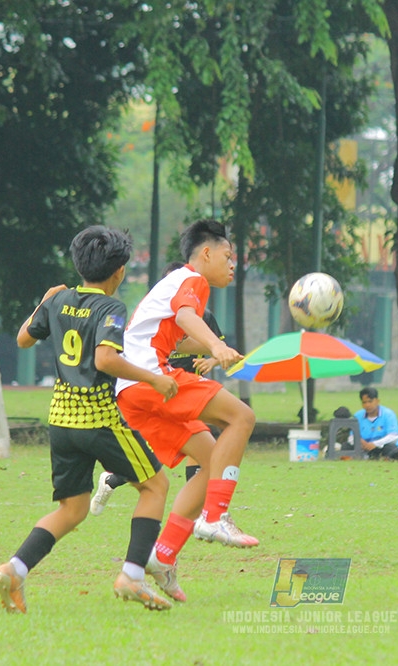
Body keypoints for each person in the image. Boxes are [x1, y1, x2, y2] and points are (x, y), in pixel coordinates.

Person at [0, 226, 178, 614]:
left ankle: (15, 569)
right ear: (120, 272)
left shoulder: (58, 299)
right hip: (97, 418)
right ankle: (131, 575)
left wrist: (43, 304)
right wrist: (155, 378)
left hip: (60, 421)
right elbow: (106, 360)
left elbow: (24, 338)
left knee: (72, 509)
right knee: (156, 485)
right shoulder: (111, 308)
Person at [112, 219, 258, 603]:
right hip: (153, 380)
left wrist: (215, 347)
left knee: (211, 461)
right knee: (242, 417)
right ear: (206, 253)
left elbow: (175, 333)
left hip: (131, 391)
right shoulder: (192, 279)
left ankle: (162, 557)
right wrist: (215, 344)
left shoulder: (174, 283)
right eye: (228, 256)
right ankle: (215, 518)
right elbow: (185, 318)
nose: (232, 264)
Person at [90, 261, 222, 513]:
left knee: (202, 449)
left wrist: (214, 355)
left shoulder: (203, 316)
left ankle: (200, 511)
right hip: (157, 385)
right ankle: (114, 478)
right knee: (158, 455)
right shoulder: (155, 315)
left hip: (182, 383)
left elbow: (216, 343)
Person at [355, 386, 398, 460]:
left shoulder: (388, 414)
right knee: (346, 446)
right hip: (364, 447)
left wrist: (375, 444)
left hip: (382, 446)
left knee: (393, 449)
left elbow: (393, 436)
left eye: (370, 401)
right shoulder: (358, 416)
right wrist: (362, 443)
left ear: (377, 401)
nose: (367, 405)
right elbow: (351, 436)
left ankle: (384, 457)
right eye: (364, 402)